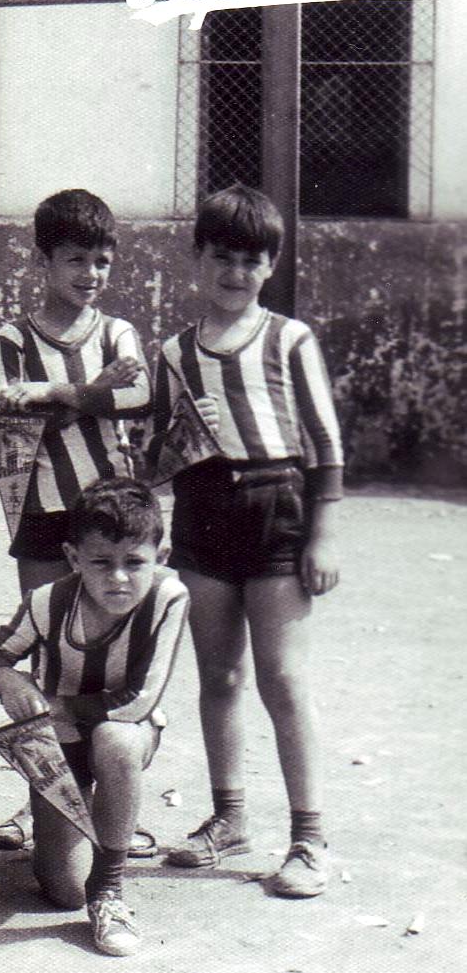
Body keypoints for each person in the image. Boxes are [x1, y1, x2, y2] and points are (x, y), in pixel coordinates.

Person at [149, 185, 343, 898]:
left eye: (250, 260)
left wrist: (323, 534)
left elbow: (324, 442)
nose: (235, 273)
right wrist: (178, 435)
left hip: (275, 503)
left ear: (270, 265)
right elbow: (158, 459)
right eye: (221, 257)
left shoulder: (289, 339)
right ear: (198, 258)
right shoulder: (174, 352)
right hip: (202, 509)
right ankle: (229, 816)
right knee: (219, 676)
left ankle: (310, 838)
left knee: (282, 677)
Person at [0, 188, 151, 853]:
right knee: (50, 650)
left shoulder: (117, 332)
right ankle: (45, 802)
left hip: (110, 515)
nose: (91, 273)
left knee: (113, 648)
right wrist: (95, 393)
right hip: (41, 508)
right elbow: (12, 421)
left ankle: (115, 800)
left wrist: (58, 392)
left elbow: (138, 396)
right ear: (43, 261)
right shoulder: (13, 338)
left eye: (102, 261)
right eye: (76, 259)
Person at [0, 477, 190, 956]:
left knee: (116, 739)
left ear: (161, 556)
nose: (119, 578)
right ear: (74, 558)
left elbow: (139, 700)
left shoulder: (168, 597)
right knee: (63, 891)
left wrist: (57, 705)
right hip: (61, 744)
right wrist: (9, 681)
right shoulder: (48, 601)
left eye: (134, 562)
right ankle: (89, 822)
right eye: (101, 562)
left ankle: (109, 889)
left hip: (124, 731)